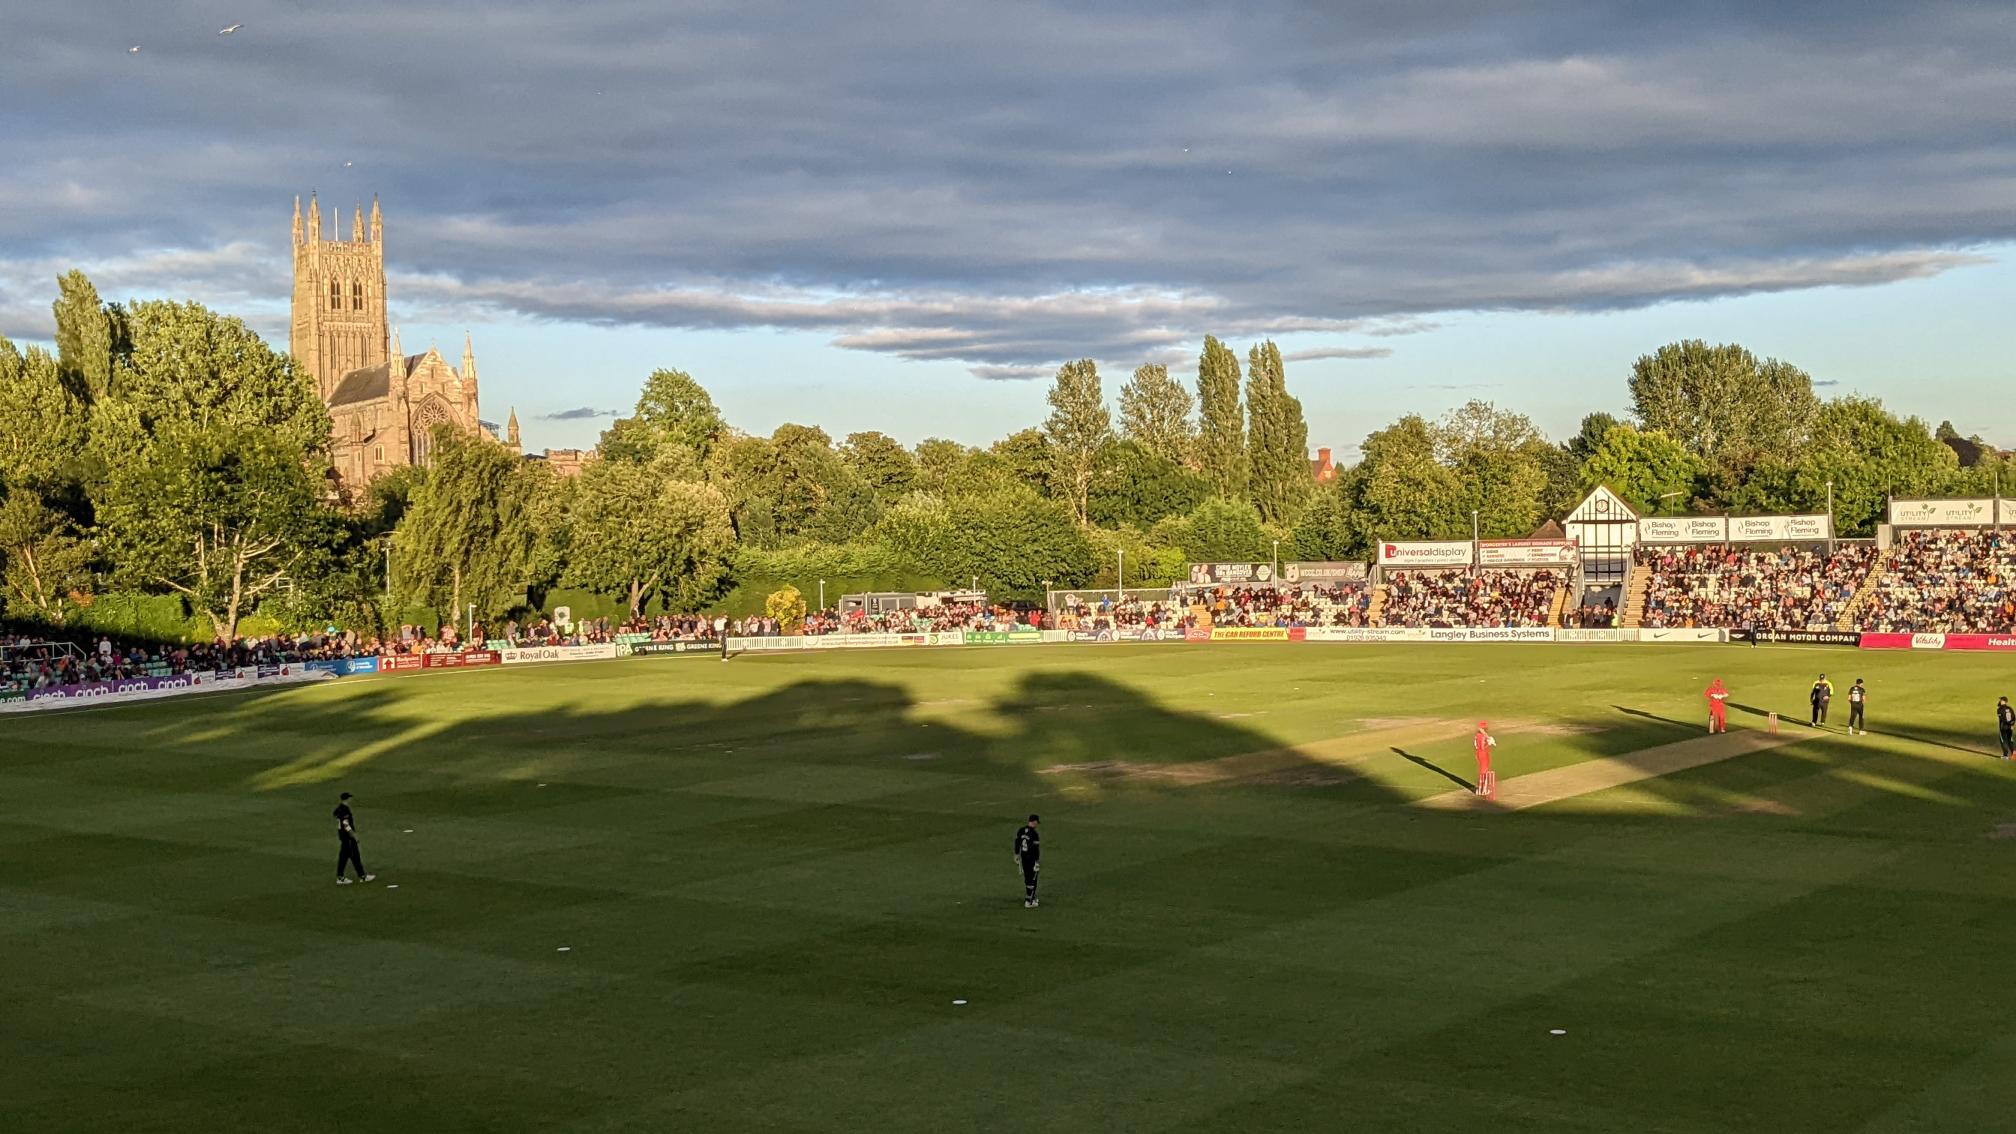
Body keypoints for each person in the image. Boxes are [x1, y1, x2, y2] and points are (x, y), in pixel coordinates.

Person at [333, 791, 373, 885]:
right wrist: (353, 835)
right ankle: (362, 876)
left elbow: (335, 815)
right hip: (348, 837)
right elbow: (346, 824)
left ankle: (340, 877)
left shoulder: (339, 808)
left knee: (343, 857)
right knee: (355, 856)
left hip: (343, 837)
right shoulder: (345, 810)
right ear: (347, 799)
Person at [1012, 814, 1041, 907]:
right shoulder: (1034, 834)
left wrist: (1016, 854)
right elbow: (1036, 849)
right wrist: (1037, 861)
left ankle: (1032, 897)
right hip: (1031, 859)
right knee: (1033, 880)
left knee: (1027, 878)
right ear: (1034, 821)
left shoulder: (1021, 830)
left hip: (1024, 858)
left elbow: (1017, 843)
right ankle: (1029, 901)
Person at [1473, 721, 1497, 800]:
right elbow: (1482, 747)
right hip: (1482, 753)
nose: (1485, 729)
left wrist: (1489, 739)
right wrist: (1489, 743)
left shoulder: (1480, 735)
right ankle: (1482, 789)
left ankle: (1482, 788)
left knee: (1485, 769)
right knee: (1484, 770)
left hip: (1482, 753)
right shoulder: (1481, 736)